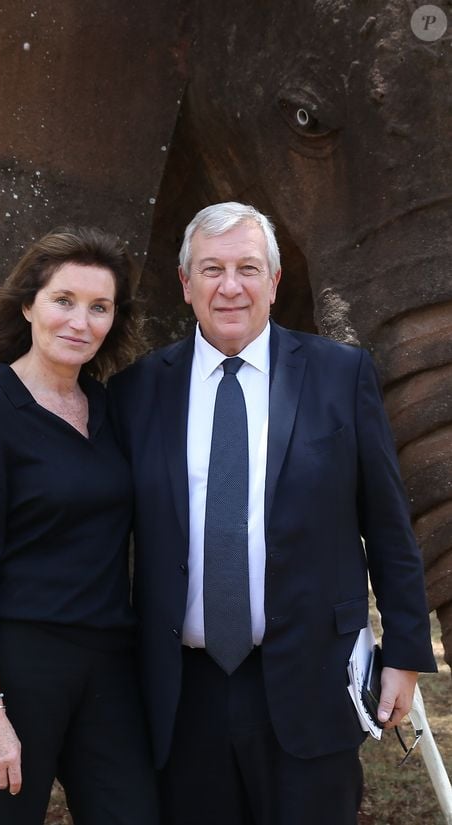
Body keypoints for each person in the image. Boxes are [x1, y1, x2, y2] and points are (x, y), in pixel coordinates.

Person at [108, 202, 436, 825]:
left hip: (315, 679)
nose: (230, 286)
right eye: (211, 269)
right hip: (182, 692)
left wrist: (405, 655)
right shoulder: (138, 391)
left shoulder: (342, 375)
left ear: (275, 280)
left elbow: (389, 527)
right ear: (185, 283)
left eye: (247, 268)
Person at [0, 226, 159, 825]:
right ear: (29, 304)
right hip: (17, 666)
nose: (80, 321)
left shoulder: (111, 409)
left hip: (111, 666)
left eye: (99, 307)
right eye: (64, 300)